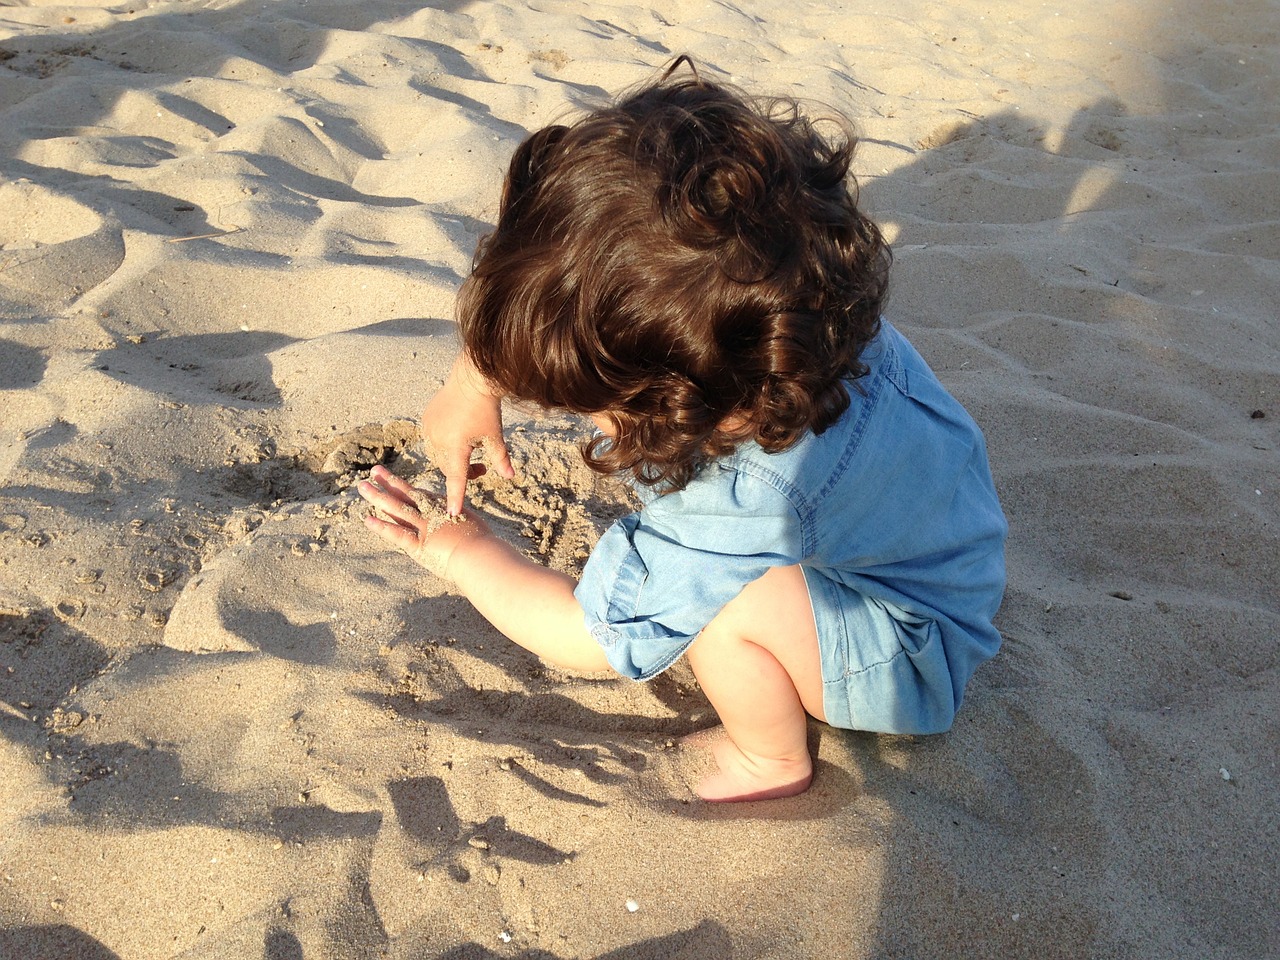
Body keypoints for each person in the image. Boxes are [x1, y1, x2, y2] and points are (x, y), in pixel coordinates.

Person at [357, 60, 1007, 803]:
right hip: (958, 551)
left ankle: (770, 759)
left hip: (910, 653)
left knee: (728, 603)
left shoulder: (748, 496)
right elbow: (568, 290)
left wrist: (462, 555)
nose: (583, 417)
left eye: (592, 406)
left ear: (692, 408)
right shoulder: (798, 315)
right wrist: (473, 378)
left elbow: (590, 638)